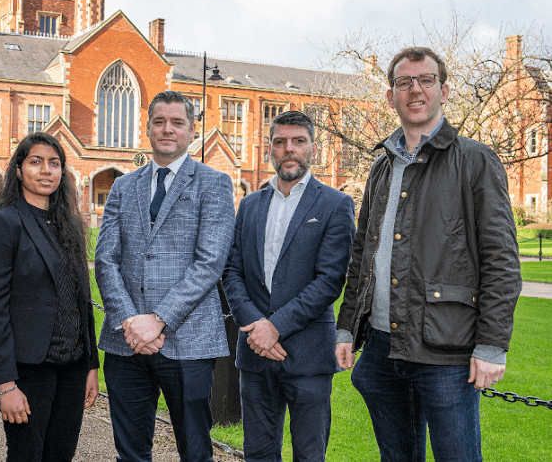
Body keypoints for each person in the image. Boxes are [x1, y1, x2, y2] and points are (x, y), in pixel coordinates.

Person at [335, 47, 522, 462]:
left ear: (444, 89)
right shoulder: (382, 167)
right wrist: (348, 327)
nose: (414, 90)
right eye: (404, 82)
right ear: (391, 96)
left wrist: (491, 346)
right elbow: (363, 252)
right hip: (382, 349)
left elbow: (502, 261)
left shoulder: (474, 161)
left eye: (425, 80)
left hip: (446, 352)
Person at [95, 90, 236, 462]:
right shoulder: (124, 186)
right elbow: (105, 258)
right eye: (159, 122)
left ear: (192, 130)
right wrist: (129, 320)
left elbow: (210, 263)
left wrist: (157, 321)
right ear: (148, 128)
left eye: (177, 122)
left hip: (188, 341)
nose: (167, 129)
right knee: (131, 451)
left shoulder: (214, 183)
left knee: (194, 450)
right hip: (125, 343)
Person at [222, 111, 355, 462]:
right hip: (254, 352)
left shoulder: (335, 205)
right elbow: (232, 272)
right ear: (270, 148)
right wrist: (255, 326)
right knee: (259, 454)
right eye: (280, 142)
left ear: (313, 147)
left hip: (308, 354)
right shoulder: (249, 205)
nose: (289, 149)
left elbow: (330, 281)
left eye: (298, 141)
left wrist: (275, 327)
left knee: (309, 455)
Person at [0, 132, 99, 461]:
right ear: (18, 171)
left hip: (73, 369)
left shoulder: (69, 225)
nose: (46, 170)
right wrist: (5, 383)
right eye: (36, 162)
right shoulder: (4, 224)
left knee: (60, 456)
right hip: (29, 369)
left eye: (54, 163)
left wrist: (91, 365)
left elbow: (82, 301)